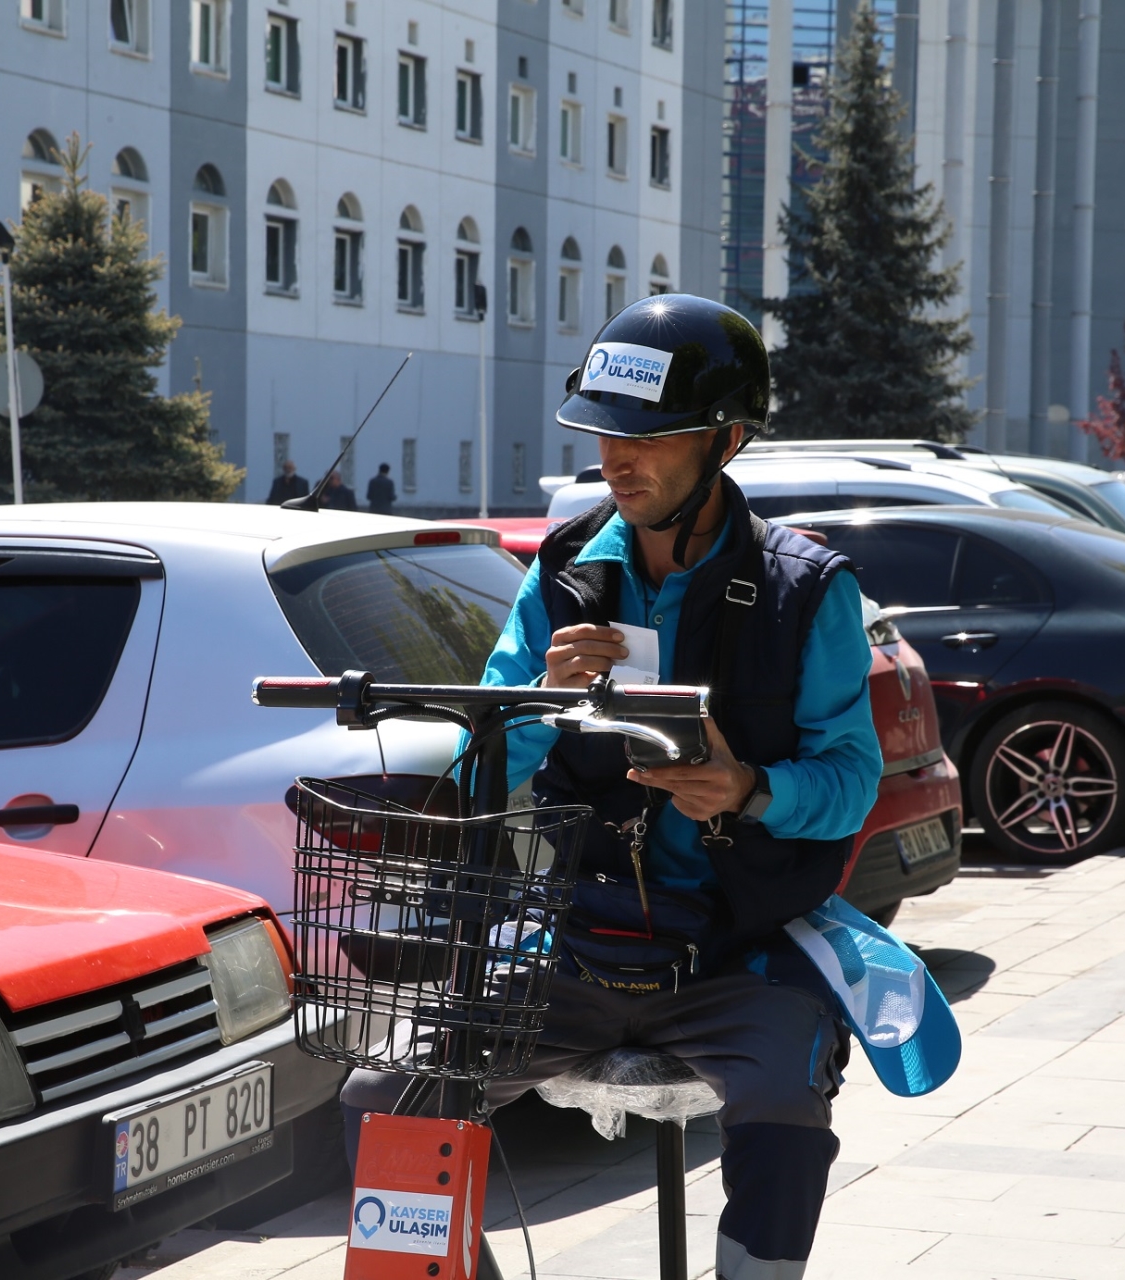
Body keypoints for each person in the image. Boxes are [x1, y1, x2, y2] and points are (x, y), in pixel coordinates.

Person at [341, 296, 895, 1280]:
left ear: (726, 438)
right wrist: (532, 705)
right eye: (605, 433)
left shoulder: (808, 589)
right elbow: (483, 765)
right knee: (387, 1094)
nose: (617, 458)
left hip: (740, 951)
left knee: (784, 1103)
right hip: (576, 943)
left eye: (650, 435)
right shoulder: (559, 571)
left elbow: (852, 782)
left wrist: (747, 787)